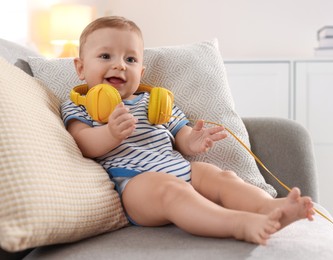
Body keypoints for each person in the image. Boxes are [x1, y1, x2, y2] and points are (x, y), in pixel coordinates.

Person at [61, 16, 315, 245]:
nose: (120, 66)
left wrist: (192, 141)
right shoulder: (79, 104)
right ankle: (238, 224)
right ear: (81, 67)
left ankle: (268, 208)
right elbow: (82, 142)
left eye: (130, 59)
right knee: (171, 190)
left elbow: (180, 136)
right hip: (134, 183)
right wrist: (110, 134)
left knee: (222, 176)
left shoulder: (154, 102)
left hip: (179, 167)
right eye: (106, 56)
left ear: (141, 71)